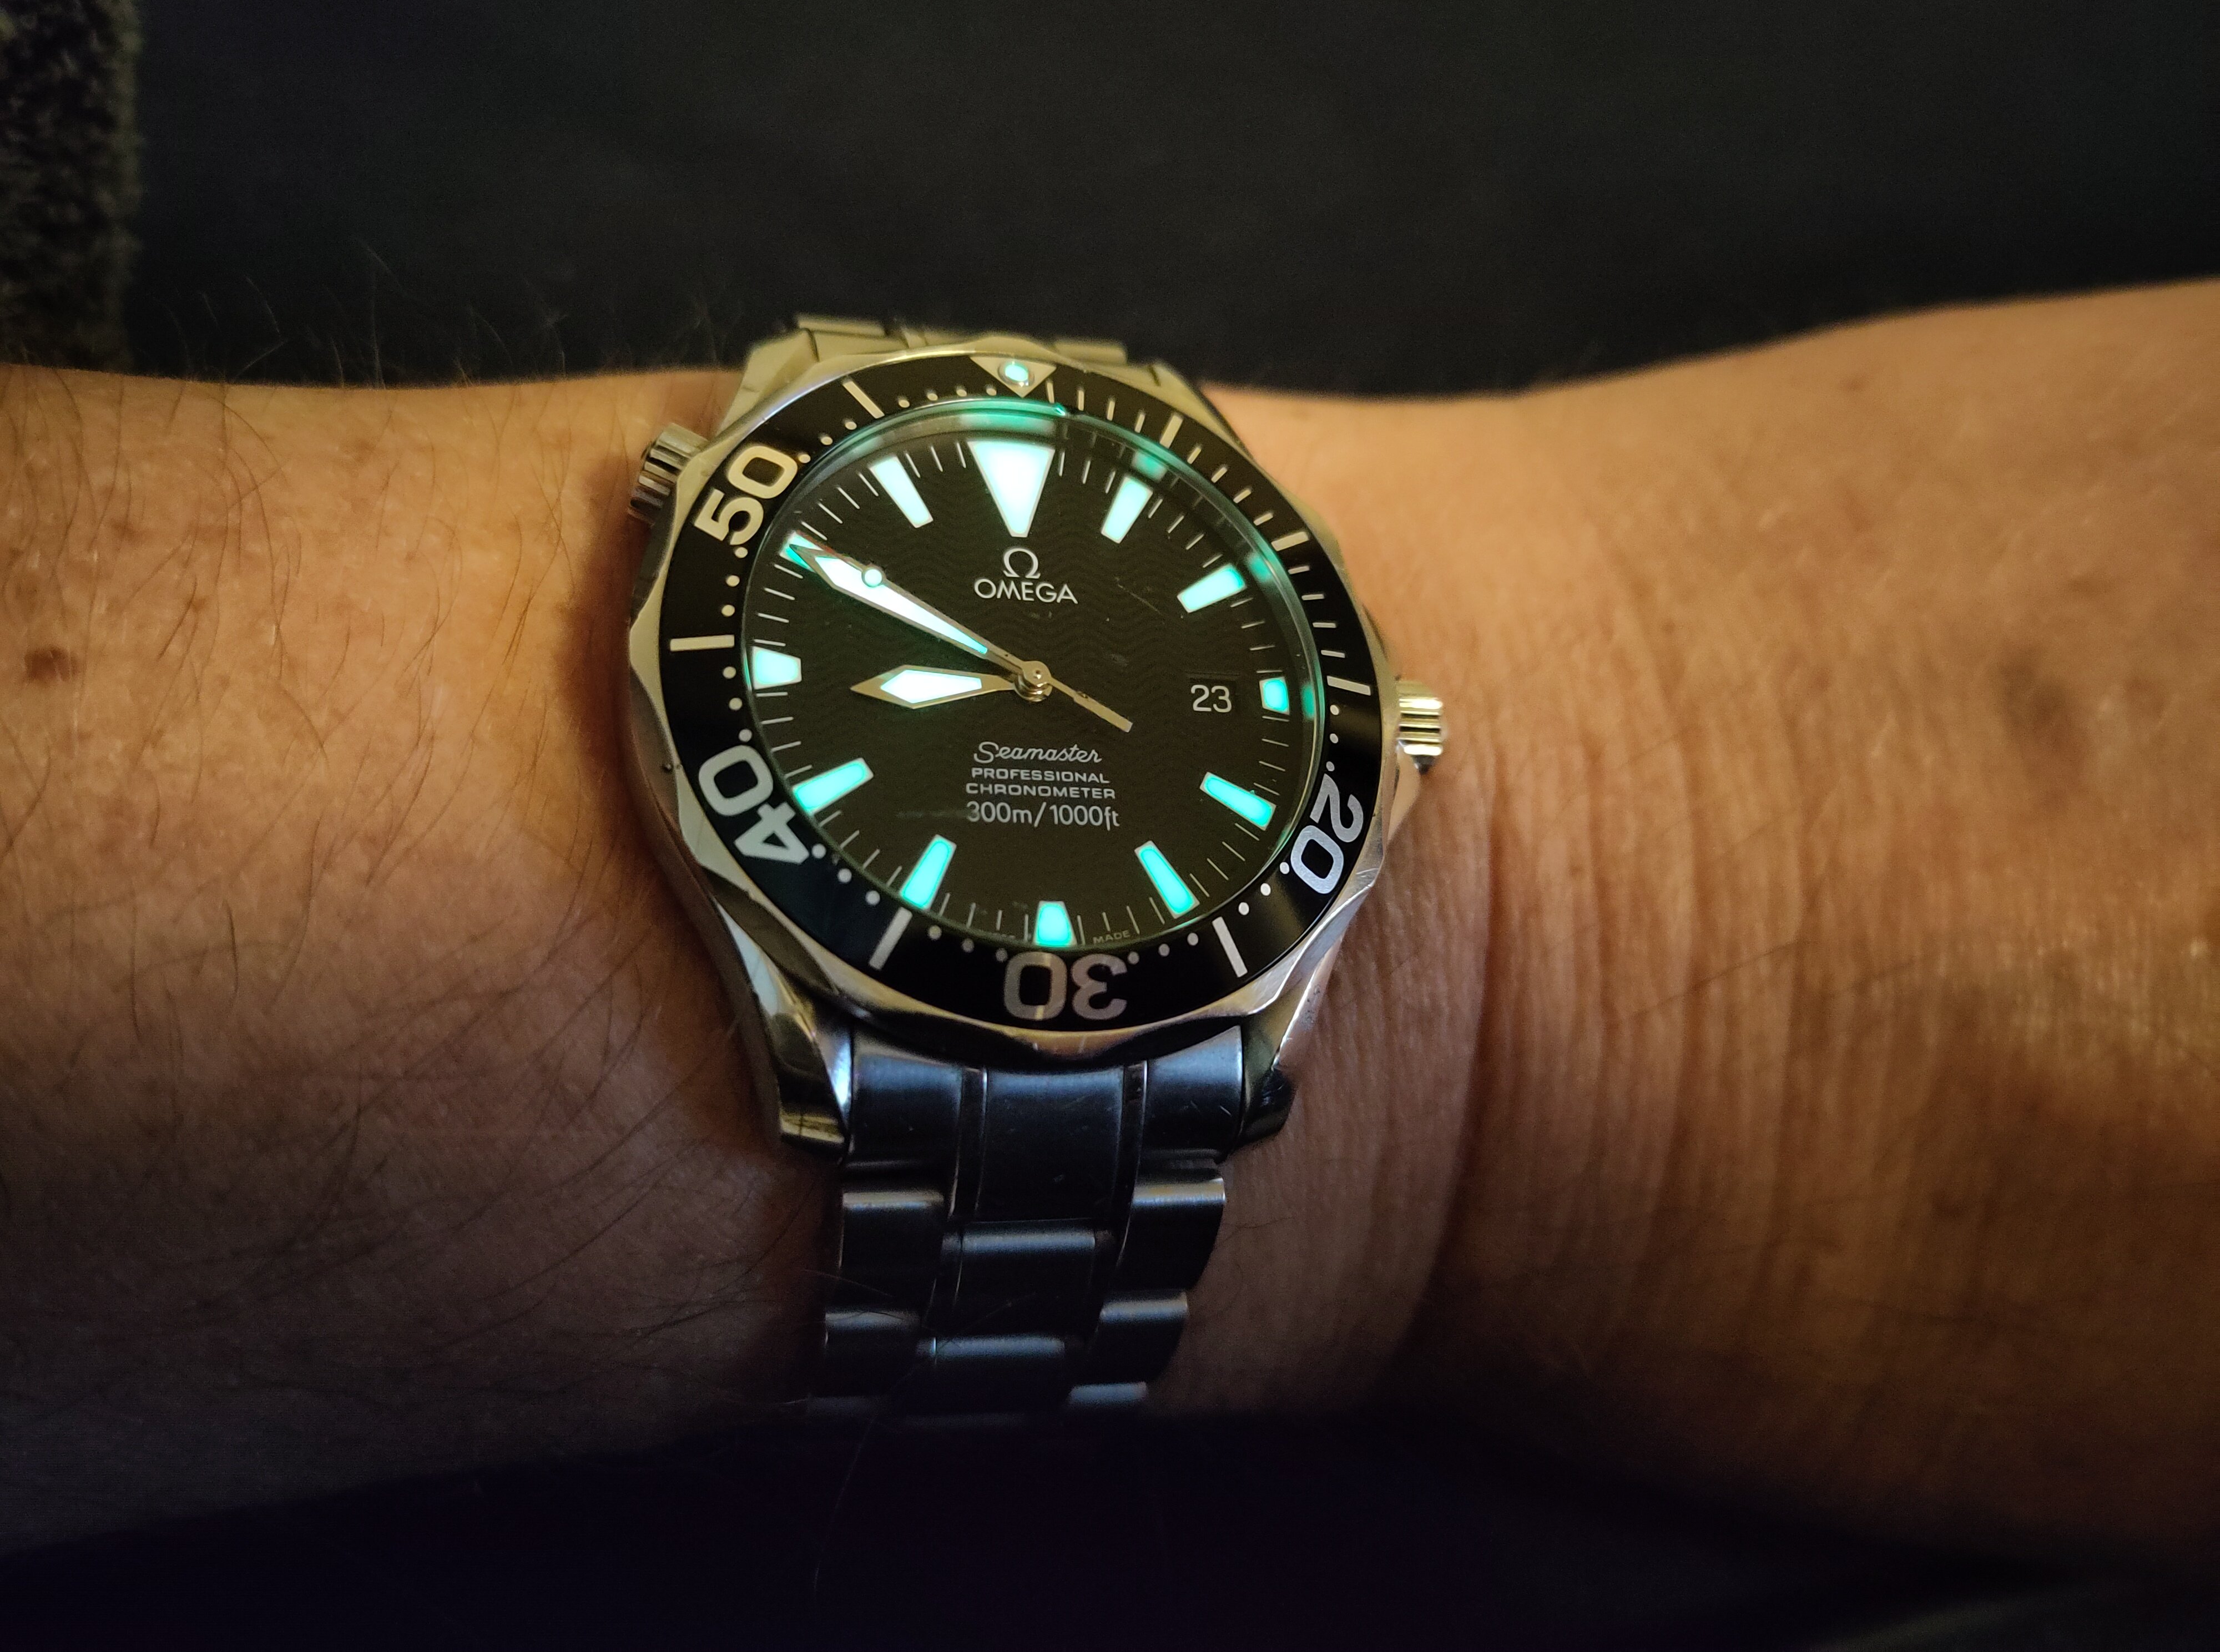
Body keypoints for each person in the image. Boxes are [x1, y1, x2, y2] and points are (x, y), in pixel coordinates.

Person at [2, 275, 2217, 1567]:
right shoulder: (748, 580)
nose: (1043, 697)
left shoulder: (1284, 736)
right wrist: (1608, 896)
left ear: (1386, 735)